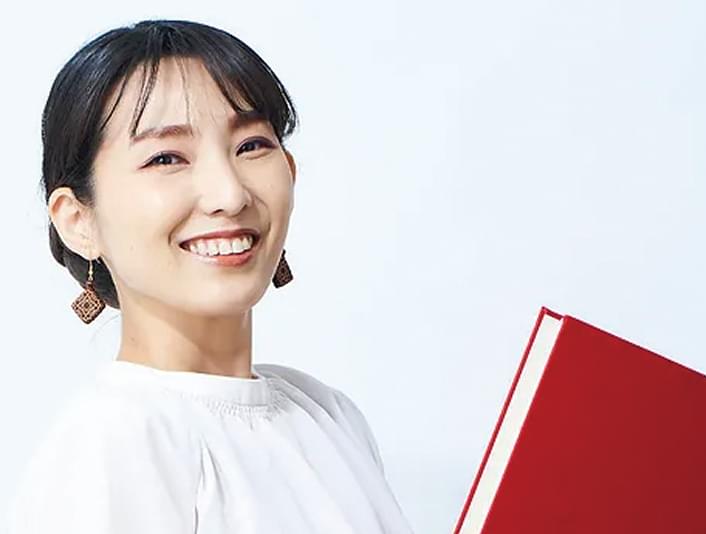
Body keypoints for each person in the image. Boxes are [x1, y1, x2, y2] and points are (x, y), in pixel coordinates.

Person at [7, 19, 414, 534]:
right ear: (77, 221)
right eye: (166, 158)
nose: (230, 194)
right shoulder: (112, 444)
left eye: (251, 146)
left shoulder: (328, 414)